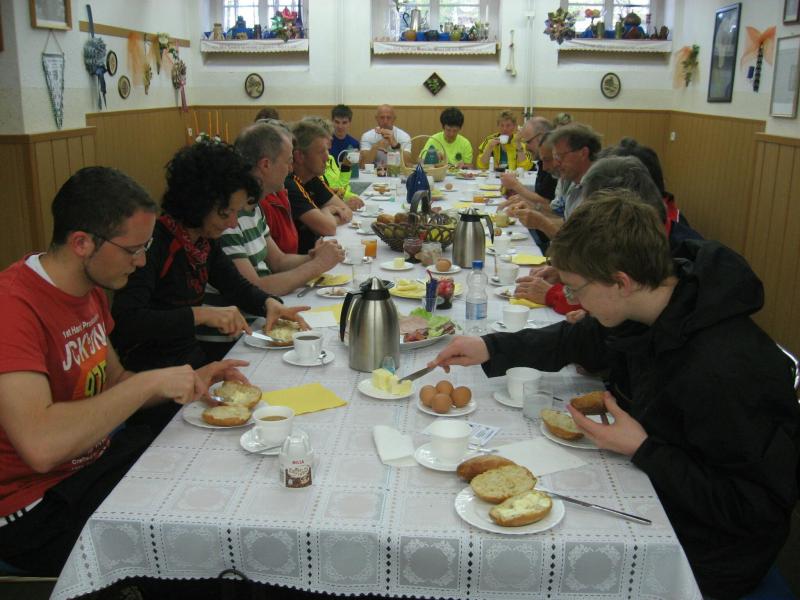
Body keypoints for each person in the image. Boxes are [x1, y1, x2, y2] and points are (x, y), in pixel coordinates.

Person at [433, 192, 800, 599]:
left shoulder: (723, 368)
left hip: (708, 553)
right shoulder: (656, 305)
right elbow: (582, 339)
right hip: (661, 484)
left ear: (621, 282)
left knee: (530, 562)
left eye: (576, 290)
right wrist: (491, 348)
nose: (573, 302)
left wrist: (643, 448)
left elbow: (756, 508)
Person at [0, 167, 246, 575]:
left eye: (145, 247)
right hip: (33, 508)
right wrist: (151, 381)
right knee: (191, 539)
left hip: (91, 465)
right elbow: (41, 446)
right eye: (132, 249)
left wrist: (191, 379)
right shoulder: (13, 307)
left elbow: (115, 382)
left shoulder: (90, 290)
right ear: (82, 243)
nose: (142, 260)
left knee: (213, 476)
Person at [111, 140, 309, 375]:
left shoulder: (203, 241)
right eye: (226, 213)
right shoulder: (154, 244)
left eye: (236, 212)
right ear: (198, 204)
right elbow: (128, 320)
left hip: (190, 363)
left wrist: (268, 304)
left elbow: (236, 286)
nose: (233, 223)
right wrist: (201, 315)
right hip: (152, 373)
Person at [225, 121, 345, 296]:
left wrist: (313, 256)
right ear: (265, 165)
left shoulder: (253, 207)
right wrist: (317, 264)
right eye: (288, 161)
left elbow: (279, 261)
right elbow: (253, 289)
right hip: (251, 309)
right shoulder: (227, 217)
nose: (291, 169)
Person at [510, 123, 601, 239]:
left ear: (583, 153)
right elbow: (566, 223)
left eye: (560, 156)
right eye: (555, 157)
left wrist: (542, 223)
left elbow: (579, 242)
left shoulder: (600, 188)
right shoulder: (573, 183)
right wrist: (534, 210)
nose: (556, 164)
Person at [286, 120, 353, 253]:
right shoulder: (289, 184)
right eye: (321, 152)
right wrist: (327, 211)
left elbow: (347, 211)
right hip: (302, 258)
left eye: (327, 150)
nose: (327, 157)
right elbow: (328, 228)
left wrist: (325, 218)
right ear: (300, 156)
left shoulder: (312, 178)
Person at [302, 115, 364, 211]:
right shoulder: (306, 173)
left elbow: (340, 189)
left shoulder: (330, 159)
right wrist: (343, 205)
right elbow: (315, 207)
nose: (330, 146)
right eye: (326, 142)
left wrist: (346, 166)